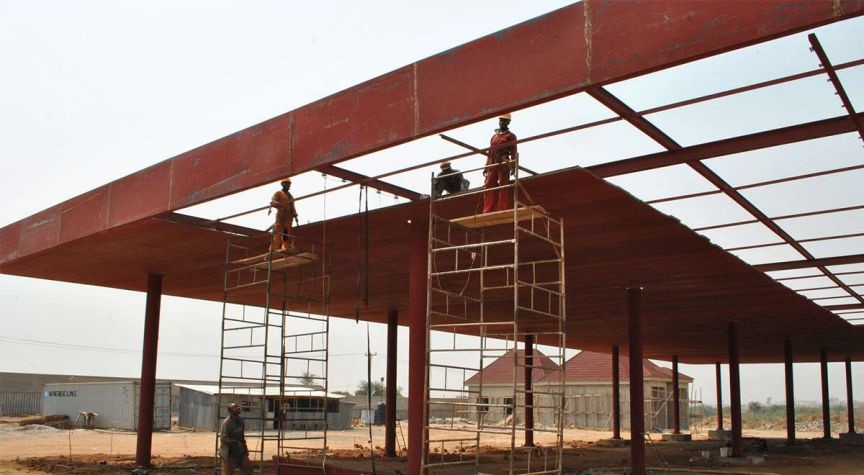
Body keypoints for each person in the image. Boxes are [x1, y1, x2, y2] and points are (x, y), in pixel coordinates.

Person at [483, 113, 518, 213]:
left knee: (503, 186)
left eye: (504, 120)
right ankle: (487, 209)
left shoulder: (511, 136)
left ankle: (502, 208)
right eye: (500, 120)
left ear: (508, 122)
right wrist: (486, 166)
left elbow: (514, 152)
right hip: (492, 164)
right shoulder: (494, 136)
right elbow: (490, 152)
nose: (501, 122)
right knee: (488, 186)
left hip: (503, 164)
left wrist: (513, 166)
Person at [219, 402, 251, 475]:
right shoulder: (226, 422)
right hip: (229, 454)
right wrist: (235, 443)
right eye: (235, 407)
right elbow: (224, 438)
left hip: (241, 453)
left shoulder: (241, 421)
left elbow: (242, 437)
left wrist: (245, 449)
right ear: (230, 411)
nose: (238, 408)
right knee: (228, 473)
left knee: (247, 470)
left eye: (238, 406)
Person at [269, 178, 299, 251]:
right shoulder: (279, 193)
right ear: (282, 184)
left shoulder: (291, 196)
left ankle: (285, 249)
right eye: (286, 184)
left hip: (289, 217)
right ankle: (272, 251)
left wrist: (295, 216)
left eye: (289, 184)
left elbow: (293, 206)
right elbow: (273, 201)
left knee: (286, 234)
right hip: (281, 216)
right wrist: (276, 204)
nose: (288, 185)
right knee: (278, 233)